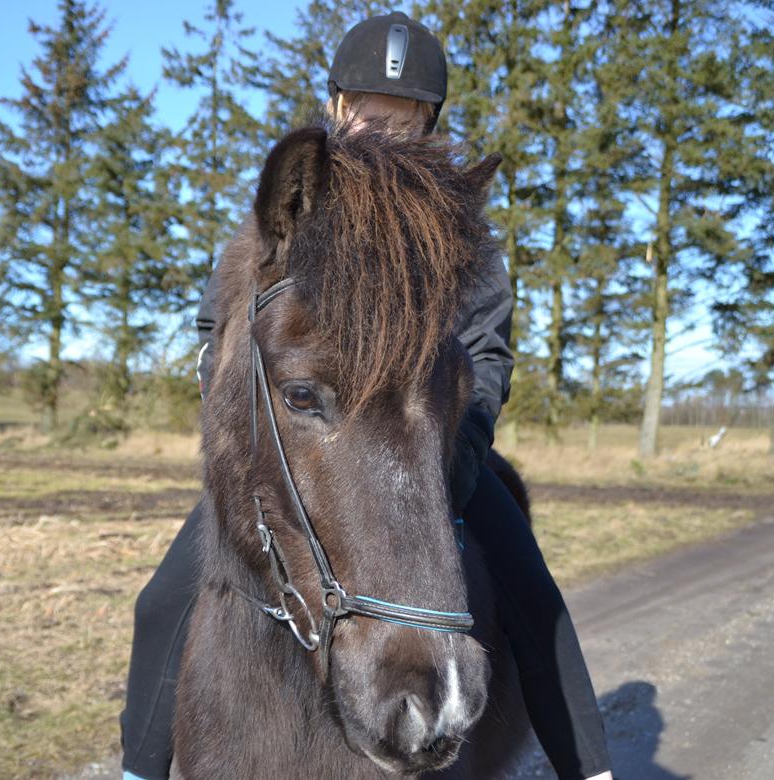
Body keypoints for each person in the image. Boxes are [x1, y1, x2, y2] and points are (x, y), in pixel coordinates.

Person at [120, 12, 613, 780]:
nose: (381, 127)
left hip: (429, 455)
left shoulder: (457, 233)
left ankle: (591, 765)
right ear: (339, 107)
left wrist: (459, 448)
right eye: (366, 111)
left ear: (428, 122)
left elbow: (485, 352)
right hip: (303, 458)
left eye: (403, 116)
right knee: (162, 604)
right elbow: (222, 337)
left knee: (529, 590)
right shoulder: (291, 219)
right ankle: (136, 771)